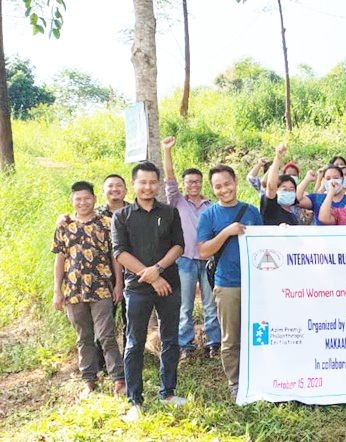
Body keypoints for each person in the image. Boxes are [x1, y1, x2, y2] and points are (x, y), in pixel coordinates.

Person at [112, 162, 186, 421]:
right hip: (137, 290)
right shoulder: (122, 216)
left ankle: (167, 393)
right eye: (142, 182)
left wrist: (158, 268)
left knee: (170, 339)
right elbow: (120, 252)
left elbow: (179, 246)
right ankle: (135, 401)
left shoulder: (169, 212)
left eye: (152, 182)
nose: (148, 187)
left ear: (157, 184)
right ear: (134, 184)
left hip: (170, 285)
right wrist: (153, 277)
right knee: (134, 342)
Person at [52, 181, 125, 398]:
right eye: (78, 199)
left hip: (102, 288)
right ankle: (89, 380)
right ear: (72, 201)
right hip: (73, 291)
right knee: (83, 337)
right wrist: (57, 290)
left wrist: (118, 284)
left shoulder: (107, 223)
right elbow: (60, 259)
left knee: (106, 335)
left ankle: (118, 379)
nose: (83, 202)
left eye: (87, 198)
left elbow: (115, 257)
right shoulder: (64, 226)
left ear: (94, 199)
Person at [197, 165, 263, 400]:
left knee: (258, 333)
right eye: (218, 186)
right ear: (213, 189)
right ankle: (235, 382)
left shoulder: (252, 211)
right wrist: (226, 232)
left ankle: (258, 376)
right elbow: (203, 250)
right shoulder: (209, 215)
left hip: (256, 283)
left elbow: (265, 243)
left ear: (235, 181)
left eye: (227, 183)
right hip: (228, 285)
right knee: (231, 336)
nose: (224, 189)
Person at [161, 136, 219, 361]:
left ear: (202, 183)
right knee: (184, 305)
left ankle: (213, 343)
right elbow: (169, 179)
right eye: (190, 182)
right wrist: (167, 151)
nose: (193, 185)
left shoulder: (211, 206)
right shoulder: (177, 201)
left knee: (210, 304)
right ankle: (185, 344)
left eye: (197, 181)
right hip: (184, 260)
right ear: (184, 184)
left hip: (207, 260)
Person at [261, 144, 302, 226]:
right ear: (277, 190)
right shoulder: (271, 208)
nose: (288, 192)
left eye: (291, 189)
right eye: (284, 189)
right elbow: (271, 186)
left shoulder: (293, 216)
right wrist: (278, 158)